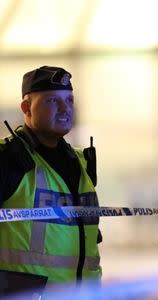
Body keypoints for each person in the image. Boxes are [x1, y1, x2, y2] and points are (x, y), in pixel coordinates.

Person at [0, 66, 102, 297]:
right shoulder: (7, 159)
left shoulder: (81, 162)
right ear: (26, 108)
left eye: (70, 100)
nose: (66, 109)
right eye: (52, 101)